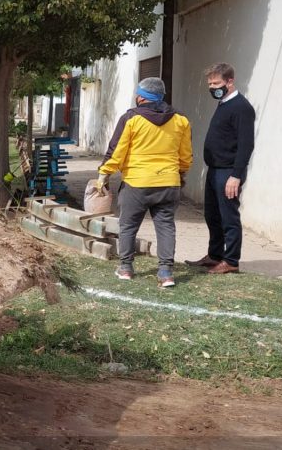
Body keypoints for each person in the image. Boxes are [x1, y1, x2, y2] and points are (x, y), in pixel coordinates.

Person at [96, 77, 192, 287]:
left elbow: (117, 151)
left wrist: (104, 174)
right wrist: (181, 172)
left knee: (128, 226)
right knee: (166, 226)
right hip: (168, 182)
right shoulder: (180, 120)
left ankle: (126, 268)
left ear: (141, 97)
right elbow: (185, 155)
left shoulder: (131, 118)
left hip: (137, 183)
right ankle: (166, 271)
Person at [185, 62, 255, 275]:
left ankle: (231, 261)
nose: (212, 87)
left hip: (228, 172)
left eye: (216, 82)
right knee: (212, 215)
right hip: (214, 170)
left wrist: (236, 176)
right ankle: (215, 255)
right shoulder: (224, 103)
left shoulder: (242, 107)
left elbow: (246, 145)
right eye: (210, 83)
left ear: (230, 81)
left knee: (228, 217)